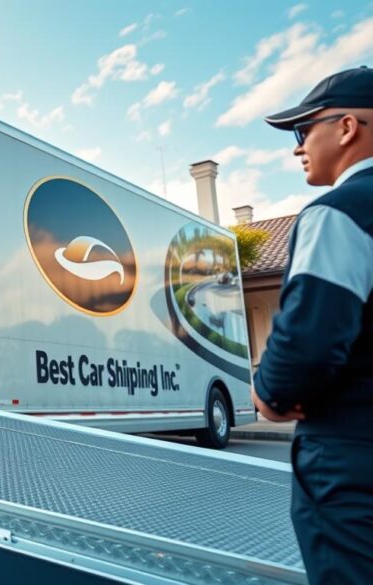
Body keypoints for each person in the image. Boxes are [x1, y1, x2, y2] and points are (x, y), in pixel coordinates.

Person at [253, 65, 373, 583]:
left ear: (347, 128)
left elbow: (304, 346)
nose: (297, 148)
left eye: (304, 131)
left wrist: (269, 395)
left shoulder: (339, 213)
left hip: (350, 460)